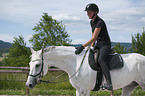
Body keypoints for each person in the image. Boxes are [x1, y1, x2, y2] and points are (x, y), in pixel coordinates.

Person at [75, 3, 113, 90]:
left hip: (105, 44)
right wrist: (91, 47)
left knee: (101, 60)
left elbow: (94, 37)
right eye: (87, 12)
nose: (88, 14)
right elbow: (93, 37)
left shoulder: (100, 22)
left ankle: (109, 83)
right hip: (98, 44)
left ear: (95, 12)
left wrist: (82, 46)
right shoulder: (92, 22)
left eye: (90, 12)